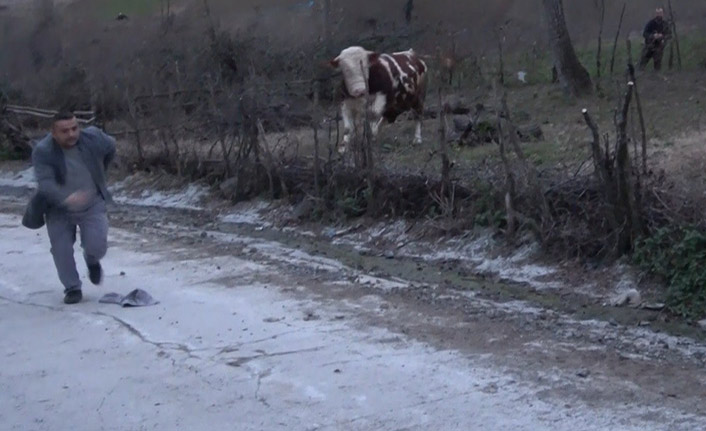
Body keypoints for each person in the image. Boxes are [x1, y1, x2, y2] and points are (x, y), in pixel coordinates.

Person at [26, 112, 116, 304]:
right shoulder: (43, 151)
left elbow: (111, 147)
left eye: (74, 128)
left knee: (97, 245)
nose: (71, 134)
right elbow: (45, 183)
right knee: (61, 249)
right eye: (65, 131)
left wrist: (100, 173)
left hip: (92, 203)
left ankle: (92, 260)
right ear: (53, 133)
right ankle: (72, 287)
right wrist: (66, 198)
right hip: (58, 208)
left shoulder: (93, 137)